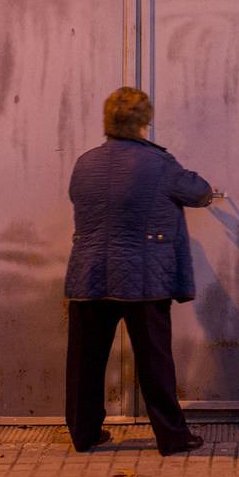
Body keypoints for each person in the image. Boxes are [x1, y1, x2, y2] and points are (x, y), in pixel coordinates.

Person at [64, 86, 215, 455]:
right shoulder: (158, 164)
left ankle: (84, 434)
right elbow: (199, 192)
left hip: (89, 274)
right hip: (143, 279)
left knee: (85, 360)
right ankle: (172, 437)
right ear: (144, 121)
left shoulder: (85, 163)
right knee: (154, 360)